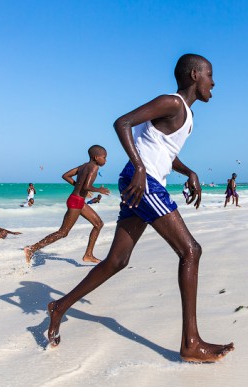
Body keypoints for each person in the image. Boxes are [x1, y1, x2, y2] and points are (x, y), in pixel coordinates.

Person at [45, 54, 234, 363]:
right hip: (141, 182)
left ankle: (59, 307)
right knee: (191, 251)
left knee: (117, 260)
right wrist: (139, 167)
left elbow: (165, 152)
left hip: (139, 181)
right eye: (211, 75)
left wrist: (190, 172)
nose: (215, 82)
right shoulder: (171, 102)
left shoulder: (184, 114)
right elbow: (122, 123)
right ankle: (191, 342)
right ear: (195, 74)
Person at [24, 145, 110, 265]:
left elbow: (65, 176)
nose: (105, 160)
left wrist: (78, 186)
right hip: (76, 202)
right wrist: (98, 190)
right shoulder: (94, 167)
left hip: (77, 200)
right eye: (104, 157)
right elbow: (86, 186)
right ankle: (32, 249)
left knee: (98, 224)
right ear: (96, 157)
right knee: (63, 232)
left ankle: (88, 255)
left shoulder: (83, 166)